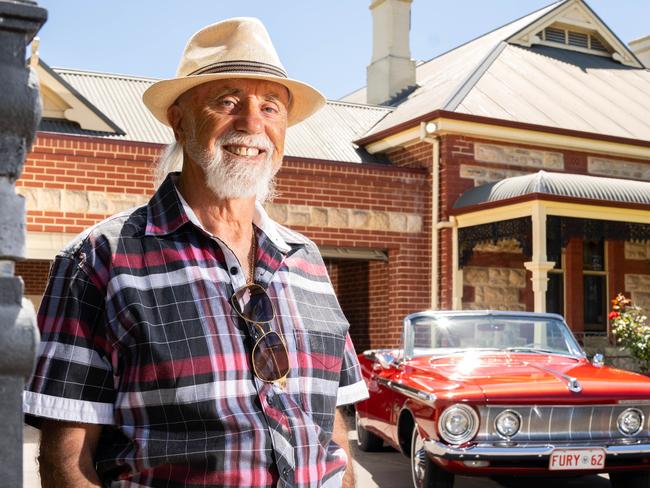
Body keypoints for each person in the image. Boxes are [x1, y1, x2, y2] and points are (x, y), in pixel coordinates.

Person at [24, 17, 368, 488]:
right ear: (179, 118)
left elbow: (330, 431)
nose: (252, 125)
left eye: (270, 107)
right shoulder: (98, 260)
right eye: (227, 102)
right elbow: (67, 464)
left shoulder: (307, 261)